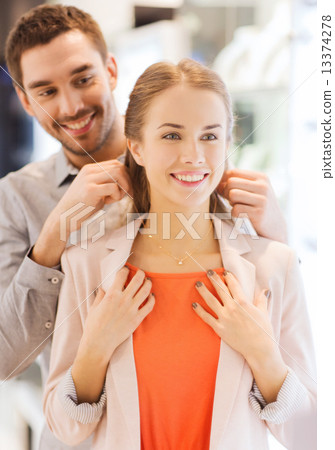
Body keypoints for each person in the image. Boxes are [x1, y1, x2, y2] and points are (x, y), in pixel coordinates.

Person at [0, 4, 288, 449]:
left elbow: (277, 326)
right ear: (25, 99)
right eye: (46, 91)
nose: (72, 105)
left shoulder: (205, 177)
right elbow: (5, 357)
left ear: (111, 70)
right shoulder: (17, 198)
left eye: (83, 79)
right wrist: (57, 230)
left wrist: (275, 236)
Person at [43, 59, 316, 450]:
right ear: (136, 146)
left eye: (210, 136)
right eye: (172, 136)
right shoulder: (87, 264)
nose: (194, 155)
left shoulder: (273, 265)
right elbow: (63, 426)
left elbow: (309, 433)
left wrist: (263, 354)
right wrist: (94, 350)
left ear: (227, 143)